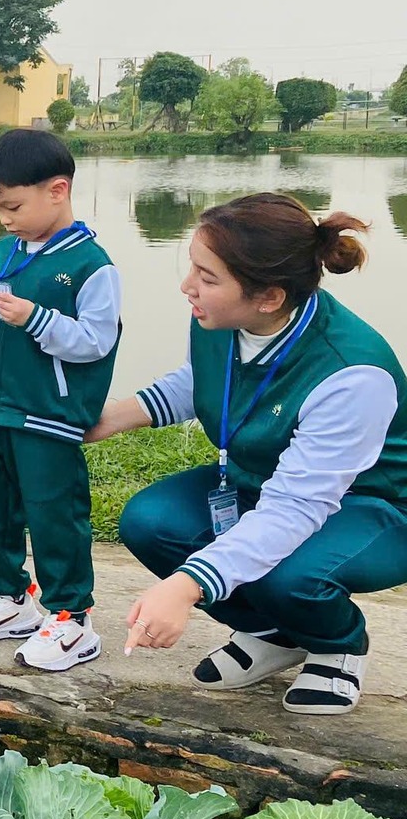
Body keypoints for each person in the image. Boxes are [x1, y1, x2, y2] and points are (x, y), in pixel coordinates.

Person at [93, 193, 407, 715]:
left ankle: (338, 644)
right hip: (265, 482)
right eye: (192, 267)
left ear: (268, 297)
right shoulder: (222, 317)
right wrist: (108, 419)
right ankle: (274, 634)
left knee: (292, 575)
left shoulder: (352, 373)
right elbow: (204, 379)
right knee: (150, 521)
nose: (188, 286)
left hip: (372, 507)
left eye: (207, 277)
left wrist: (188, 586)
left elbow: (297, 508)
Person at [0, 128, 120, 671]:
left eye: (13, 207)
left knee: (54, 515)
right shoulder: (2, 252)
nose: (5, 219)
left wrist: (37, 318)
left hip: (48, 414)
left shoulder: (92, 265)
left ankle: (71, 617)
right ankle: (9, 598)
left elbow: (97, 342)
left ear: (57, 190)